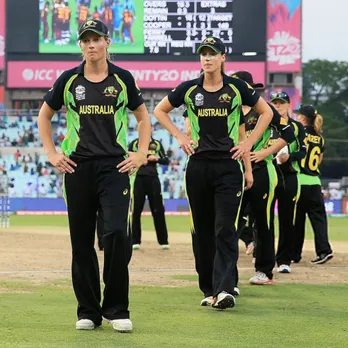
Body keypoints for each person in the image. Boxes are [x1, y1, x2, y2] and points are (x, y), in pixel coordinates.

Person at [37, 19, 151, 333]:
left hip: (115, 168)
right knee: (82, 241)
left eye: (96, 39)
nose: (91, 45)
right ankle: (88, 310)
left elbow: (143, 118)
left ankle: (117, 308)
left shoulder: (123, 79)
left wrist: (141, 153)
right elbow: (44, 115)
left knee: (116, 233)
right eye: (85, 40)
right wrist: (51, 153)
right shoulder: (69, 79)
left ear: (107, 42)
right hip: (77, 168)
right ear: (81, 45)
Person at [154, 37, 274, 310]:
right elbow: (160, 110)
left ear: (223, 58)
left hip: (228, 167)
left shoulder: (237, 88)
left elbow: (265, 113)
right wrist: (179, 137)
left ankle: (224, 289)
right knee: (202, 231)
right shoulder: (189, 89)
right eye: (203, 54)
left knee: (225, 228)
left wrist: (248, 145)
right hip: (197, 167)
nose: (207, 58)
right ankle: (208, 289)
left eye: (213, 53)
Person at [231, 72, 295, 285]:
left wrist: (264, 153)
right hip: (234, 172)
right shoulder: (229, 110)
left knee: (263, 221)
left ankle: (264, 271)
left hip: (262, 171)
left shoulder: (264, 110)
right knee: (231, 221)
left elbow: (289, 133)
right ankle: (227, 272)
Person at [267, 91, 306, 274]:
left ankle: (284, 260)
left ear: (288, 105)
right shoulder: (265, 123)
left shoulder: (297, 126)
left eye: (281, 103)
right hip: (268, 174)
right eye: (274, 103)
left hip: (289, 175)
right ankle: (264, 257)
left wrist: (289, 157)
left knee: (286, 219)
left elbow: (303, 151)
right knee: (264, 219)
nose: (277, 106)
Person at [293, 105, 333, 264]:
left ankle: (294, 254)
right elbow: (319, 161)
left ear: (302, 118)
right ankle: (324, 251)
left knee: (298, 221)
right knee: (319, 220)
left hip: (299, 181)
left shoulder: (298, 132)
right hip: (315, 183)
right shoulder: (320, 137)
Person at [129, 136, 170, 250]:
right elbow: (127, 156)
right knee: (136, 211)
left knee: (158, 210)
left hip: (153, 179)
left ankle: (163, 241)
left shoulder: (156, 144)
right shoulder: (134, 143)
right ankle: (135, 241)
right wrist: (140, 159)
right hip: (139, 179)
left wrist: (156, 159)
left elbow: (166, 160)